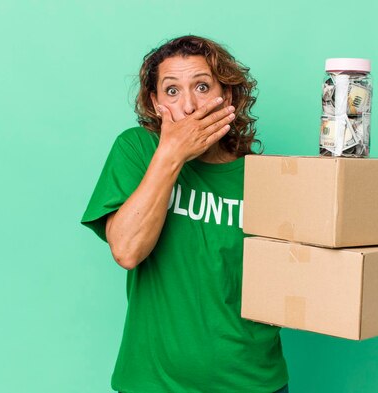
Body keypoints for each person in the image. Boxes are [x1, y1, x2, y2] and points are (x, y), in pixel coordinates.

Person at [80, 35, 289, 393]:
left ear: (230, 97)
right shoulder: (137, 150)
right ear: (154, 102)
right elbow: (127, 250)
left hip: (253, 383)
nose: (189, 105)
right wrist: (172, 153)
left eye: (203, 86)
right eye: (172, 91)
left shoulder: (267, 178)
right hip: (153, 384)